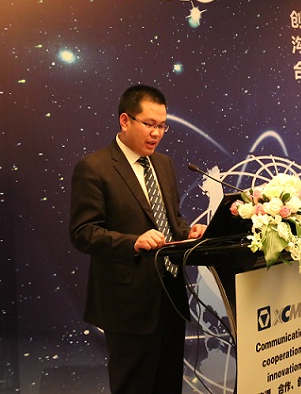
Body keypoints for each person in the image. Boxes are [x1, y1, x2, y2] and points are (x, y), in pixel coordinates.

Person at [69, 84, 207, 394]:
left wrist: (188, 232)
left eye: (162, 126)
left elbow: (170, 220)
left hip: (170, 298)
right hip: (128, 304)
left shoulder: (163, 164)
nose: (156, 133)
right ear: (125, 120)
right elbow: (83, 232)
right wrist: (132, 242)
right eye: (149, 124)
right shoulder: (94, 168)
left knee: (168, 385)